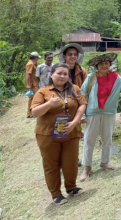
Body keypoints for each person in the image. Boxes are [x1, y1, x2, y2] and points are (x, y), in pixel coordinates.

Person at [29, 62, 85, 204]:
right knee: (51, 164)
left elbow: (82, 104)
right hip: (48, 135)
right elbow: (34, 112)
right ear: (51, 75)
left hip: (70, 132)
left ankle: (71, 188)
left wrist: (74, 122)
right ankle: (56, 194)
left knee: (71, 162)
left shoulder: (75, 89)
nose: (62, 76)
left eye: (65, 74)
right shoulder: (43, 91)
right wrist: (48, 104)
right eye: (59, 73)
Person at [80, 53, 121, 179]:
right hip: (92, 112)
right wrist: (83, 114)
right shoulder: (91, 77)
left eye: (106, 63)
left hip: (109, 113)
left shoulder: (116, 77)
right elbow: (82, 94)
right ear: (97, 66)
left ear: (110, 65)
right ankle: (87, 167)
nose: (104, 66)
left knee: (107, 138)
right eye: (101, 64)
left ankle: (104, 162)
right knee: (89, 139)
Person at [25, 51, 40, 118]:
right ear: (36, 58)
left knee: (33, 98)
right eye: (38, 58)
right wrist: (28, 85)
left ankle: (32, 112)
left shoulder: (33, 63)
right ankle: (30, 113)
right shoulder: (30, 64)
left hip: (34, 83)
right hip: (32, 84)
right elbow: (28, 74)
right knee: (32, 99)